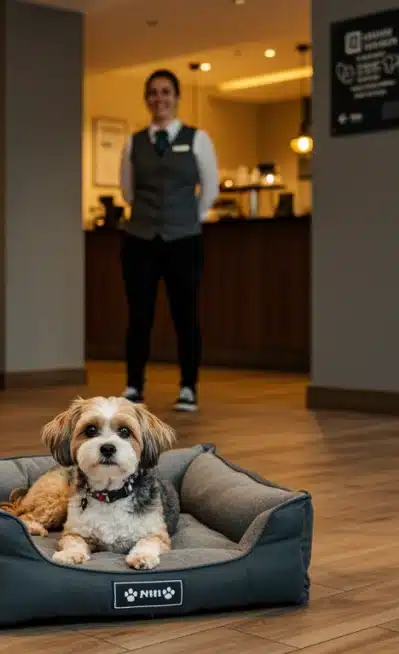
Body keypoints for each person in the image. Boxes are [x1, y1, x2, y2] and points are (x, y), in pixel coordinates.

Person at [117, 68, 218, 412]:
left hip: (183, 239)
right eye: (153, 93)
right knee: (139, 314)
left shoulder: (197, 138)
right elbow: (128, 191)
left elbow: (210, 187)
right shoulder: (135, 142)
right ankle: (134, 386)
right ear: (147, 99)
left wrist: (191, 218)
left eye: (165, 92)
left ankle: (188, 386)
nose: (159, 99)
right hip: (140, 238)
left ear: (176, 98)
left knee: (185, 314)